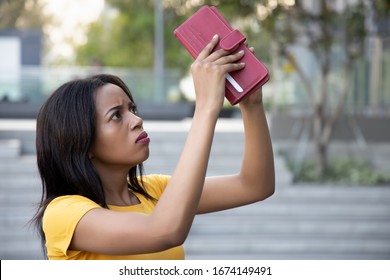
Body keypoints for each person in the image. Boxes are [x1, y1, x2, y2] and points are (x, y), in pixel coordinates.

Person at [32, 34, 275, 260]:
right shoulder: (63, 213)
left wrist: (251, 104)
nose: (137, 120)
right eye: (116, 116)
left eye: (133, 109)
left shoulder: (153, 191)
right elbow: (165, 231)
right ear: (82, 142)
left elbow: (254, 186)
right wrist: (206, 107)